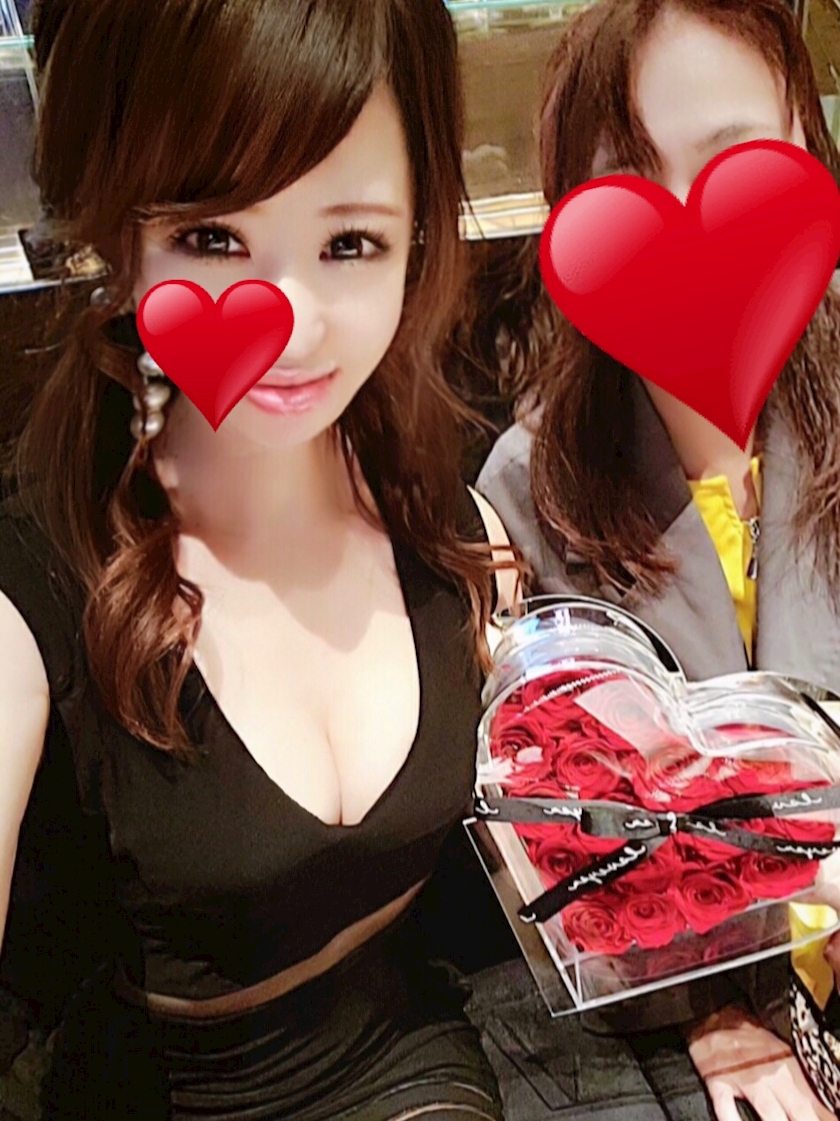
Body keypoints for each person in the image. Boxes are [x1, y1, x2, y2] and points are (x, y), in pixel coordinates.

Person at [0, 0, 522, 1118]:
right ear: (122, 228)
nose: (288, 321)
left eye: (350, 243)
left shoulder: (455, 529)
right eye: (213, 237)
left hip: (416, 1057)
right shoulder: (33, 595)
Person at [475, 1, 840, 1120]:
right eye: (631, 193)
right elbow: (572, 861)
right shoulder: (529, 495)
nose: (692, 237)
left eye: (736, 164)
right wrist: (712, 1005)